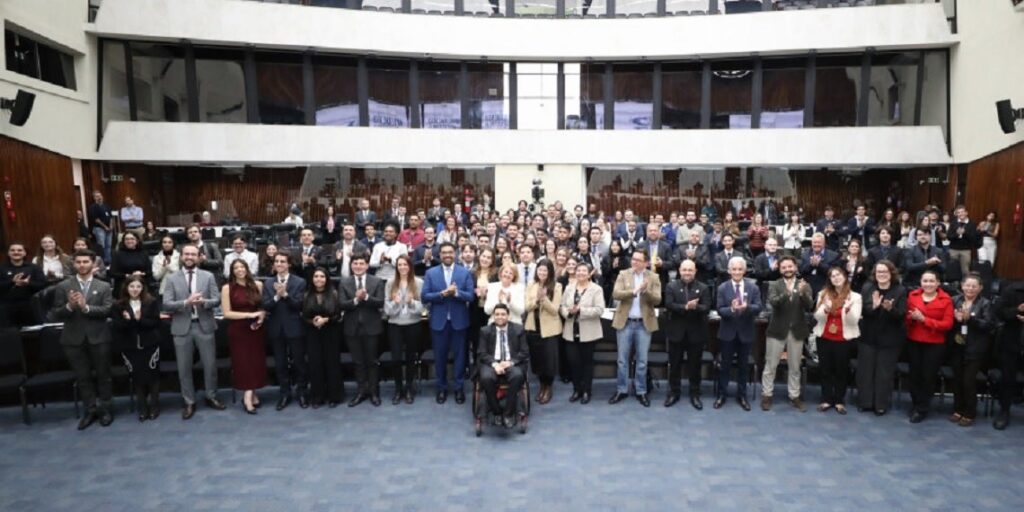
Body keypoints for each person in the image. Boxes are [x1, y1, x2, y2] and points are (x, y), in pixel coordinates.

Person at [51, 250, 114, 430]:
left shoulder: (103, 286)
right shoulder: (63, 286)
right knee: (83, 377)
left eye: (85, 261)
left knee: (103, 376)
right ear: (73, 264)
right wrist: (70, 306)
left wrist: (86, 308)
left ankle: (106, 410)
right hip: (73, 339)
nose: (82, 265)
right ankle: (90, 410)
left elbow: (107, 310)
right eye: (78, 262)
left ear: (93, 264)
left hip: (99, 337)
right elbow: (56, 313)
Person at [162, 244, 225, 420]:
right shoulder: (172, 278)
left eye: (193, 254)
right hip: (182, 327)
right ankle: (189, 401)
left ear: (199, 257)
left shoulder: (208, 276)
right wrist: (186, 302)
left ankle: (211, 396)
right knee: (184, 368)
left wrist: (203, 302)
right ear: (181, 256)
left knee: (210, 365)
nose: (190, 257)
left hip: (204, 325)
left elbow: (216, 300)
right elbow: (166, 304)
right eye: (187, 254)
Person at [422, 242, 476, 404]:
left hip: (459, 322)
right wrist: (442, 294)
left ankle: (459, 388)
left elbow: (470, 296)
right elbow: (425, 296)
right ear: (439, 255)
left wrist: (457, 293)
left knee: (460, 357)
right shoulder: (430, 273)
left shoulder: (464, 273)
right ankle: (441, 388)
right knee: (440, 357)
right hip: (439, 322)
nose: (447, 255)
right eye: (444, 252)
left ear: (455, 254)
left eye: (450, 252)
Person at [609, 249, 661, 407]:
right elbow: (616, 294)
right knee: (622, 360)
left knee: (642, 361)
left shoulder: (653, 277)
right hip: (625, 322)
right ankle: (621, 389)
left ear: (646, 263)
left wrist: (645, 291)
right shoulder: (623, 274)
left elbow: (658, 300)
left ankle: (641, 391)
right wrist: (634, 291)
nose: (634, 262)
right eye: (633, 259)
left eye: (638, 260)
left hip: (643, 324)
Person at [761, 255, 813, 412]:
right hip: (777, 330)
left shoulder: (804, 284)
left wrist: (803, 294)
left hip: (797, 330)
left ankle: (794, 395)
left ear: (795, 267)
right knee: (770, 365)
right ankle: (767, 395)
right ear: (779, 269)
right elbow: (774, 303)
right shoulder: (774, 284)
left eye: (790, 266)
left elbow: (809, 305)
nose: (787, 269)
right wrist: (787, 293)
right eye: (784, 267)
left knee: (795, 366)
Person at [857, 260, 907, 416]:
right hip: (868, 337)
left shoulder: (900, 290)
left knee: (884, 373)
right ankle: (865, 402)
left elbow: (901, 315)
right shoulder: (867, 287)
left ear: (891, 273)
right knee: (866, 371)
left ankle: (880, 405)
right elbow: (862, 311)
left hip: (889, 339)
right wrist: (874, 306)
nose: (882, 275)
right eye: (879, 272)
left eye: (885, 272)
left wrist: (890, 309)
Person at [904, 269, 954, 423]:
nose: (928, 284)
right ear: (920, 282)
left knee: (928, 376)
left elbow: (947, 324)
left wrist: (924, 320)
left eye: (932, 281)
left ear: (938, 283)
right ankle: (915, 403)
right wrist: (912, 318)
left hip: (934, 344)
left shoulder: (946, 300)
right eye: (925, 281)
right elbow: (905, 318)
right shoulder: (913, 296)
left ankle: (922, 408)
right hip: (914, 340)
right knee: (914, 375)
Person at [111, 275, 161, 422]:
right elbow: (117, 327)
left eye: (138, 286)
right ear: (126, 288)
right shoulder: (118, 305)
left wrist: (140, 320)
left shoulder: (151, 302)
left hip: (150, 344)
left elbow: (155, 322)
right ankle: (142, 408)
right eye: (132, 286)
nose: (135, 289)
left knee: (153, 377)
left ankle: (154, 407)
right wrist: (128, 321)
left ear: (143, 288)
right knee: (137, 377)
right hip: (130, 346)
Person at [714, 256, 762, 411]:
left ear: (744, 270)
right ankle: (722, 394)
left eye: (740, 269)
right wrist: (732, 309)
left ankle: (742, 396)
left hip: (746, 332)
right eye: (734, 269)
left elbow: (758, 307)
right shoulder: (722, 287)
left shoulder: (753, 288)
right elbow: (720, 310)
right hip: (727, 333)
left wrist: (747, 307)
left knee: (743, 366)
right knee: (725, 366)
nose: (737, 272)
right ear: (729, 270)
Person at [812, 267, 862, 415]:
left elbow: (854, 321)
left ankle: (839, 400)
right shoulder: (823, 294)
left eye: (838, 275)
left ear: (844, 276)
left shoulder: (855, 297)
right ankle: (826, 398)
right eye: (832, 276)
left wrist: (847, 310)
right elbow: (817, 317)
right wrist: (826, 310)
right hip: (824, 337)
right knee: (825, 369)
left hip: (844, 338)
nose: (836, 278)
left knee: (841, 370)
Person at [663, 259, 711, 410]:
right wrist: (685, 307)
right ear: (679, 271)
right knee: (675, 365)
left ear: (695, 271)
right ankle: (674, 392)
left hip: (696, 333)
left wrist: (694, 307)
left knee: (695, 366)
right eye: (684, 270)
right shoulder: (671, 286)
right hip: (676, 332)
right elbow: (669, 305)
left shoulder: (703, 287)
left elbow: (707, 307)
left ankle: (695, 394)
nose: (687, 273)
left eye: (690, 270)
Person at [262, 252, 308, 410]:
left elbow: (299, 305)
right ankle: (284, 394)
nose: (279, 264)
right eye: (277, 261)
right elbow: (266, 305)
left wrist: (285, 295)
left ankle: (302, 393)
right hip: (276, 328)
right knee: (280, 364)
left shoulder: (300, 282)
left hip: (295, 327)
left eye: (282, 261)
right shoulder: (268, 283)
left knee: (299, 363)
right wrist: (277, 296)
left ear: (289, 264)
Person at [221, 259, 268, 415]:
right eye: (236, 268)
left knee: (255, 362)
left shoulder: (258, 285)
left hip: (255, 329)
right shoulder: (227, 288)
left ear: (247, 269)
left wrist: (261, 316)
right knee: (243, 363)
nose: (240, 270)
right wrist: (249, 315)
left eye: (242, 267)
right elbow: (227, 313)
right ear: (232, 271)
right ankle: (248, 397)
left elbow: (262, 307)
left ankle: (252, 394)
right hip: (238, 330)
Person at [948, 274, 994, 427]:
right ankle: (958, 409)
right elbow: (947, 321)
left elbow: (988, 325)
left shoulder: (986, 303)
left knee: (968, 381)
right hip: (957, 345)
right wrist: (955, 319)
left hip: (975, 348)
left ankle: (969, 412)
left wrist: (971, 319)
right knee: (957, 380)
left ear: (980, 288)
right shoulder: (954, 300)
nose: (970, 288)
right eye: (967, 285)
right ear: (962, 286)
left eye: (974, 286)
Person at [477, 303, 529, 428]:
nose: (500, 317)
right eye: (497, 314)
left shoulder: (518, 329)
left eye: (503, 314)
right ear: (493, 316)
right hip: (491, 363)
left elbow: (524, 352)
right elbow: (482, 353)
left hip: (511, 363)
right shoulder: (485, 330)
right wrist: (495, 364)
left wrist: (510, 362)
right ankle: (497, 412)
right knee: (486, 378)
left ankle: (508, 413)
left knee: (517, 376)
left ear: (508, 316)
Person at [560, 262, 605, 404]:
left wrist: (581, 310)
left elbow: (600, 309)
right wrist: (568, 312)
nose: (580, 273)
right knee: (574, 363)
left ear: (589, 273)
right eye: (578, 270)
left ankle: (586, 391)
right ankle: (577, 389)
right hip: (570, 331)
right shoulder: (569, 288)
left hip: (588, 332)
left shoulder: (596, 289)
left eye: (584, 271)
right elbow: (562, 306)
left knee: (587, 364)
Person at [384, 255, 424, 405]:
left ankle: (409, 388)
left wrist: (411, 302)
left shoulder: (418, 282)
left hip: (413, 324)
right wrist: (395, 303)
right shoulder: (390, 283)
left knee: (410, 358)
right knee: (396, 358)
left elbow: (422, 308)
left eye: (405, 264)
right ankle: (398, 388)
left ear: (410, 266)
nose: (402, 267)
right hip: (395, 324)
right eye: (399, 265)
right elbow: (387, 309)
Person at [303, 267, 342, 409]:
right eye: (316, 276)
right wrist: (312, 322)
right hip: (313, 333)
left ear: (327, 279)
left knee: (332, 364)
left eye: (322, 276)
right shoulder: (306, 295)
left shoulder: (334, 294)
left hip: (331, 332)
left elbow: (339, 315)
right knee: (315, 365)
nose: (318, 279)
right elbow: (303, 316)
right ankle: (317, 396)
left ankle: (334, 396)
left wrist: (326, 320)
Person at [524, 259, 562, 405]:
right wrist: (536, 301)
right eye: (540, 270)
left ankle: (548, 387)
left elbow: (554, 310)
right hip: (533, 328)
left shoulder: (557, 286)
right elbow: (527, 307)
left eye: (545, 270)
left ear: (550, 272)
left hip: (549, 330)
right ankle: (541, 386)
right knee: (537, 360)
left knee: (549, 361)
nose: (542, 272)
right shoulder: (531, 285)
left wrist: (544, 299)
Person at [993, 280, 1024, 430]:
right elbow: (998, 312)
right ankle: (1004, 411)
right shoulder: (1012, 289)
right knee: (1007, 379)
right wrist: (1016, 310)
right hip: (1012, 342)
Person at [1, 242, 45, 327]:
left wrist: (28, 283)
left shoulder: (34, 268)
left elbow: (42, 285)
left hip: (30, 307)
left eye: (19, 250)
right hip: (7, 307)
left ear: (25, 253)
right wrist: (12, 282)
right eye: (12, 250)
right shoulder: (2, 268)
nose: (16, 252)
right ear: (8, 253)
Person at [469, 246, 498, 367]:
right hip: (475, 311)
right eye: (483, 256)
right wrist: (474, 292)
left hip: (491, 312)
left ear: (492, 260)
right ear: (479, 257)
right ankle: (477, 368)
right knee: (476, 340)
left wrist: (488, 293)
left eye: (488, 257)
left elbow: (499, 292)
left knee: (490, 342)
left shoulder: (496, 274)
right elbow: (467, 291)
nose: (485, 259)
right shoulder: (472, 273)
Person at [799, 233, 838, 297]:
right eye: (815, 242)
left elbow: (833, 272)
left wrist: (819, 265)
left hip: (825, 287)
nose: (816, 244)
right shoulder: (804, 255)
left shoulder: (833, 256)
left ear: (824, 243)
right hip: (808, 287)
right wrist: (811, 265)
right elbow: (801, 271)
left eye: (819, 242)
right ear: (811, 243)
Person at [88, 191, 114, 263]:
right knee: (101, 246)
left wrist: (111, 226)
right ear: (94, 198)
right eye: (97, 196)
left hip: (109, 229)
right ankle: (101, 262)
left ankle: (108, 261)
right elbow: (96, 219)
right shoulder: (93, 207)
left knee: (108, 245)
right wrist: (105, 227)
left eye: (100, 195)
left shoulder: (106, 206)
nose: (99, 197)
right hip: (99, 229)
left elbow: (111, 217)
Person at [600, 239, 628, 305]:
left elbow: (627, 273)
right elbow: (604, 273)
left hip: (621, 285)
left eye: (617, 245)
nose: (615, 247)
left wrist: (618, 267)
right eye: (613, 245)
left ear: (620, 247)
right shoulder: (606, 258)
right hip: (608, 286)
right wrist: (612, 267)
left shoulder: (625, 259)